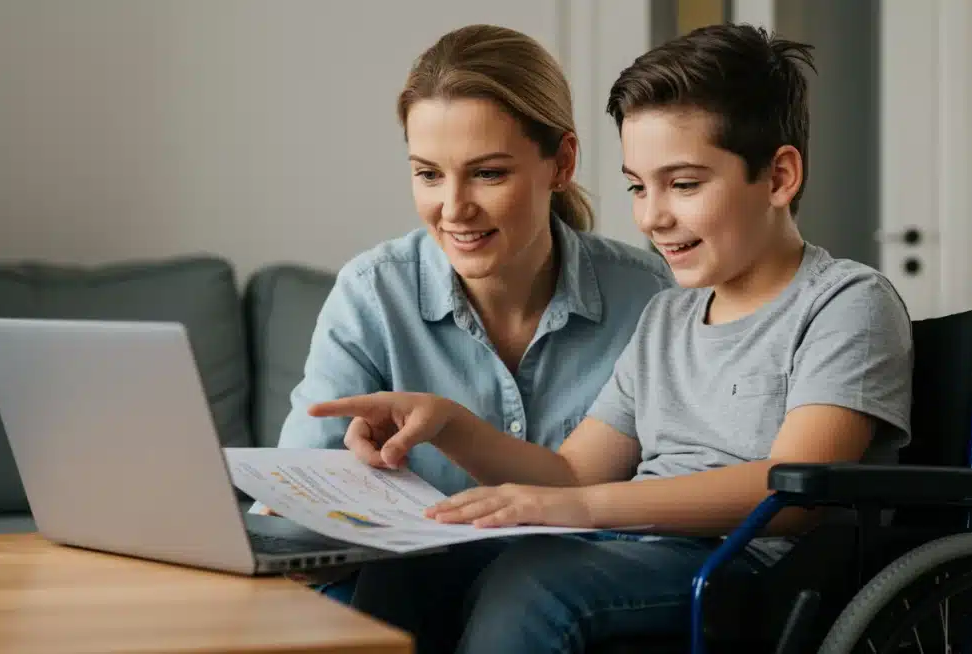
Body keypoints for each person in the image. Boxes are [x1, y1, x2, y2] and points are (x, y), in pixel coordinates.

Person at [310, 23, 914, 653]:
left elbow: (794, 491)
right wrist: (446, 423)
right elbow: (571, 472)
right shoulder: (667, 317)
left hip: (757, 570)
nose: (652, 215)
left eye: (683, 184)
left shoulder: (846, 302)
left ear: (780, 176)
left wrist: (586, 510)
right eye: (637, 185)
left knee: (534, 584)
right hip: (639, 552)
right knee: (410, 572)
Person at [261, 24, 675, 599]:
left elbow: (676, 499)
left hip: (577, 608)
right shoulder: (373, 293)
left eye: (488, 173)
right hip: (403, 596)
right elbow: (292, 504)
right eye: (428, 174)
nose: (453, 209)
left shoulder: (653, 297)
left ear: (561, 163)